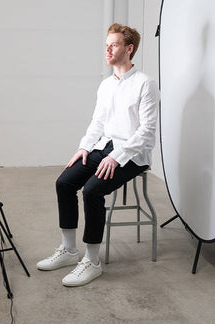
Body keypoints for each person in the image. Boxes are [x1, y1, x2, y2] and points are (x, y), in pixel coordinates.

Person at [37, 23, 159, 287]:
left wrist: (117, 156)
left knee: (92, 191)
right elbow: (97, 123)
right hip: (103, 146)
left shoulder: (145, 84)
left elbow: (147, 132)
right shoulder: (105, 85)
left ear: (129, 49)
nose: (108, 50)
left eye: (113, 45)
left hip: (132, 153)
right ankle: (69, 250)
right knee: (64, 182)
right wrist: (84, 147)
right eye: (106, 45)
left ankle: (92, 261)